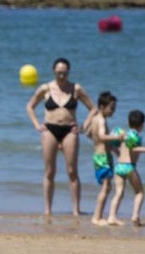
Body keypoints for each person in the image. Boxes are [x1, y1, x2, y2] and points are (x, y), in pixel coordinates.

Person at [25, 57, 96, 221]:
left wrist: (84, 125)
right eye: (58, 73)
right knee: (49, 171)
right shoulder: (46, 88)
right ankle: (48, 210)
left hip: (70, 130)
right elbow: (30, 106)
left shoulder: (75, 88)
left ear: (68, 72)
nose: (61, 76)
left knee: (72, 171)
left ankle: (76, 210)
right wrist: (36, 124)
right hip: (49, 129)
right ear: (54, 72)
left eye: (64, 73)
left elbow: (93, 108)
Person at [106, 109, 145, 228]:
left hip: (119, 165)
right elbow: (134, 149)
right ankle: (135, 216)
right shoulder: (135, 136)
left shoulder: (123, 134)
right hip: (129, 166)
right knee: (139, 192)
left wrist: (118, 153)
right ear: (142, 125)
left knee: (118, 193)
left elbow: (111, 146)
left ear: (128, 122)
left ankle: (111, 216)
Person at [84, 91, 123, 225]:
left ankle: (98, 216)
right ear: (101, 107)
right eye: (111, 108)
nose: (113, 111)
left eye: (114, 108)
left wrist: (113, 148)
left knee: (106, 187)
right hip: (103, 158)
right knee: (106, 188)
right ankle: (97, 217)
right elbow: (101, 136)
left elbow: (89, 134)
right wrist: (117, 137)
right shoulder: (100, 120)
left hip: (100, 155)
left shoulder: (96, 119)